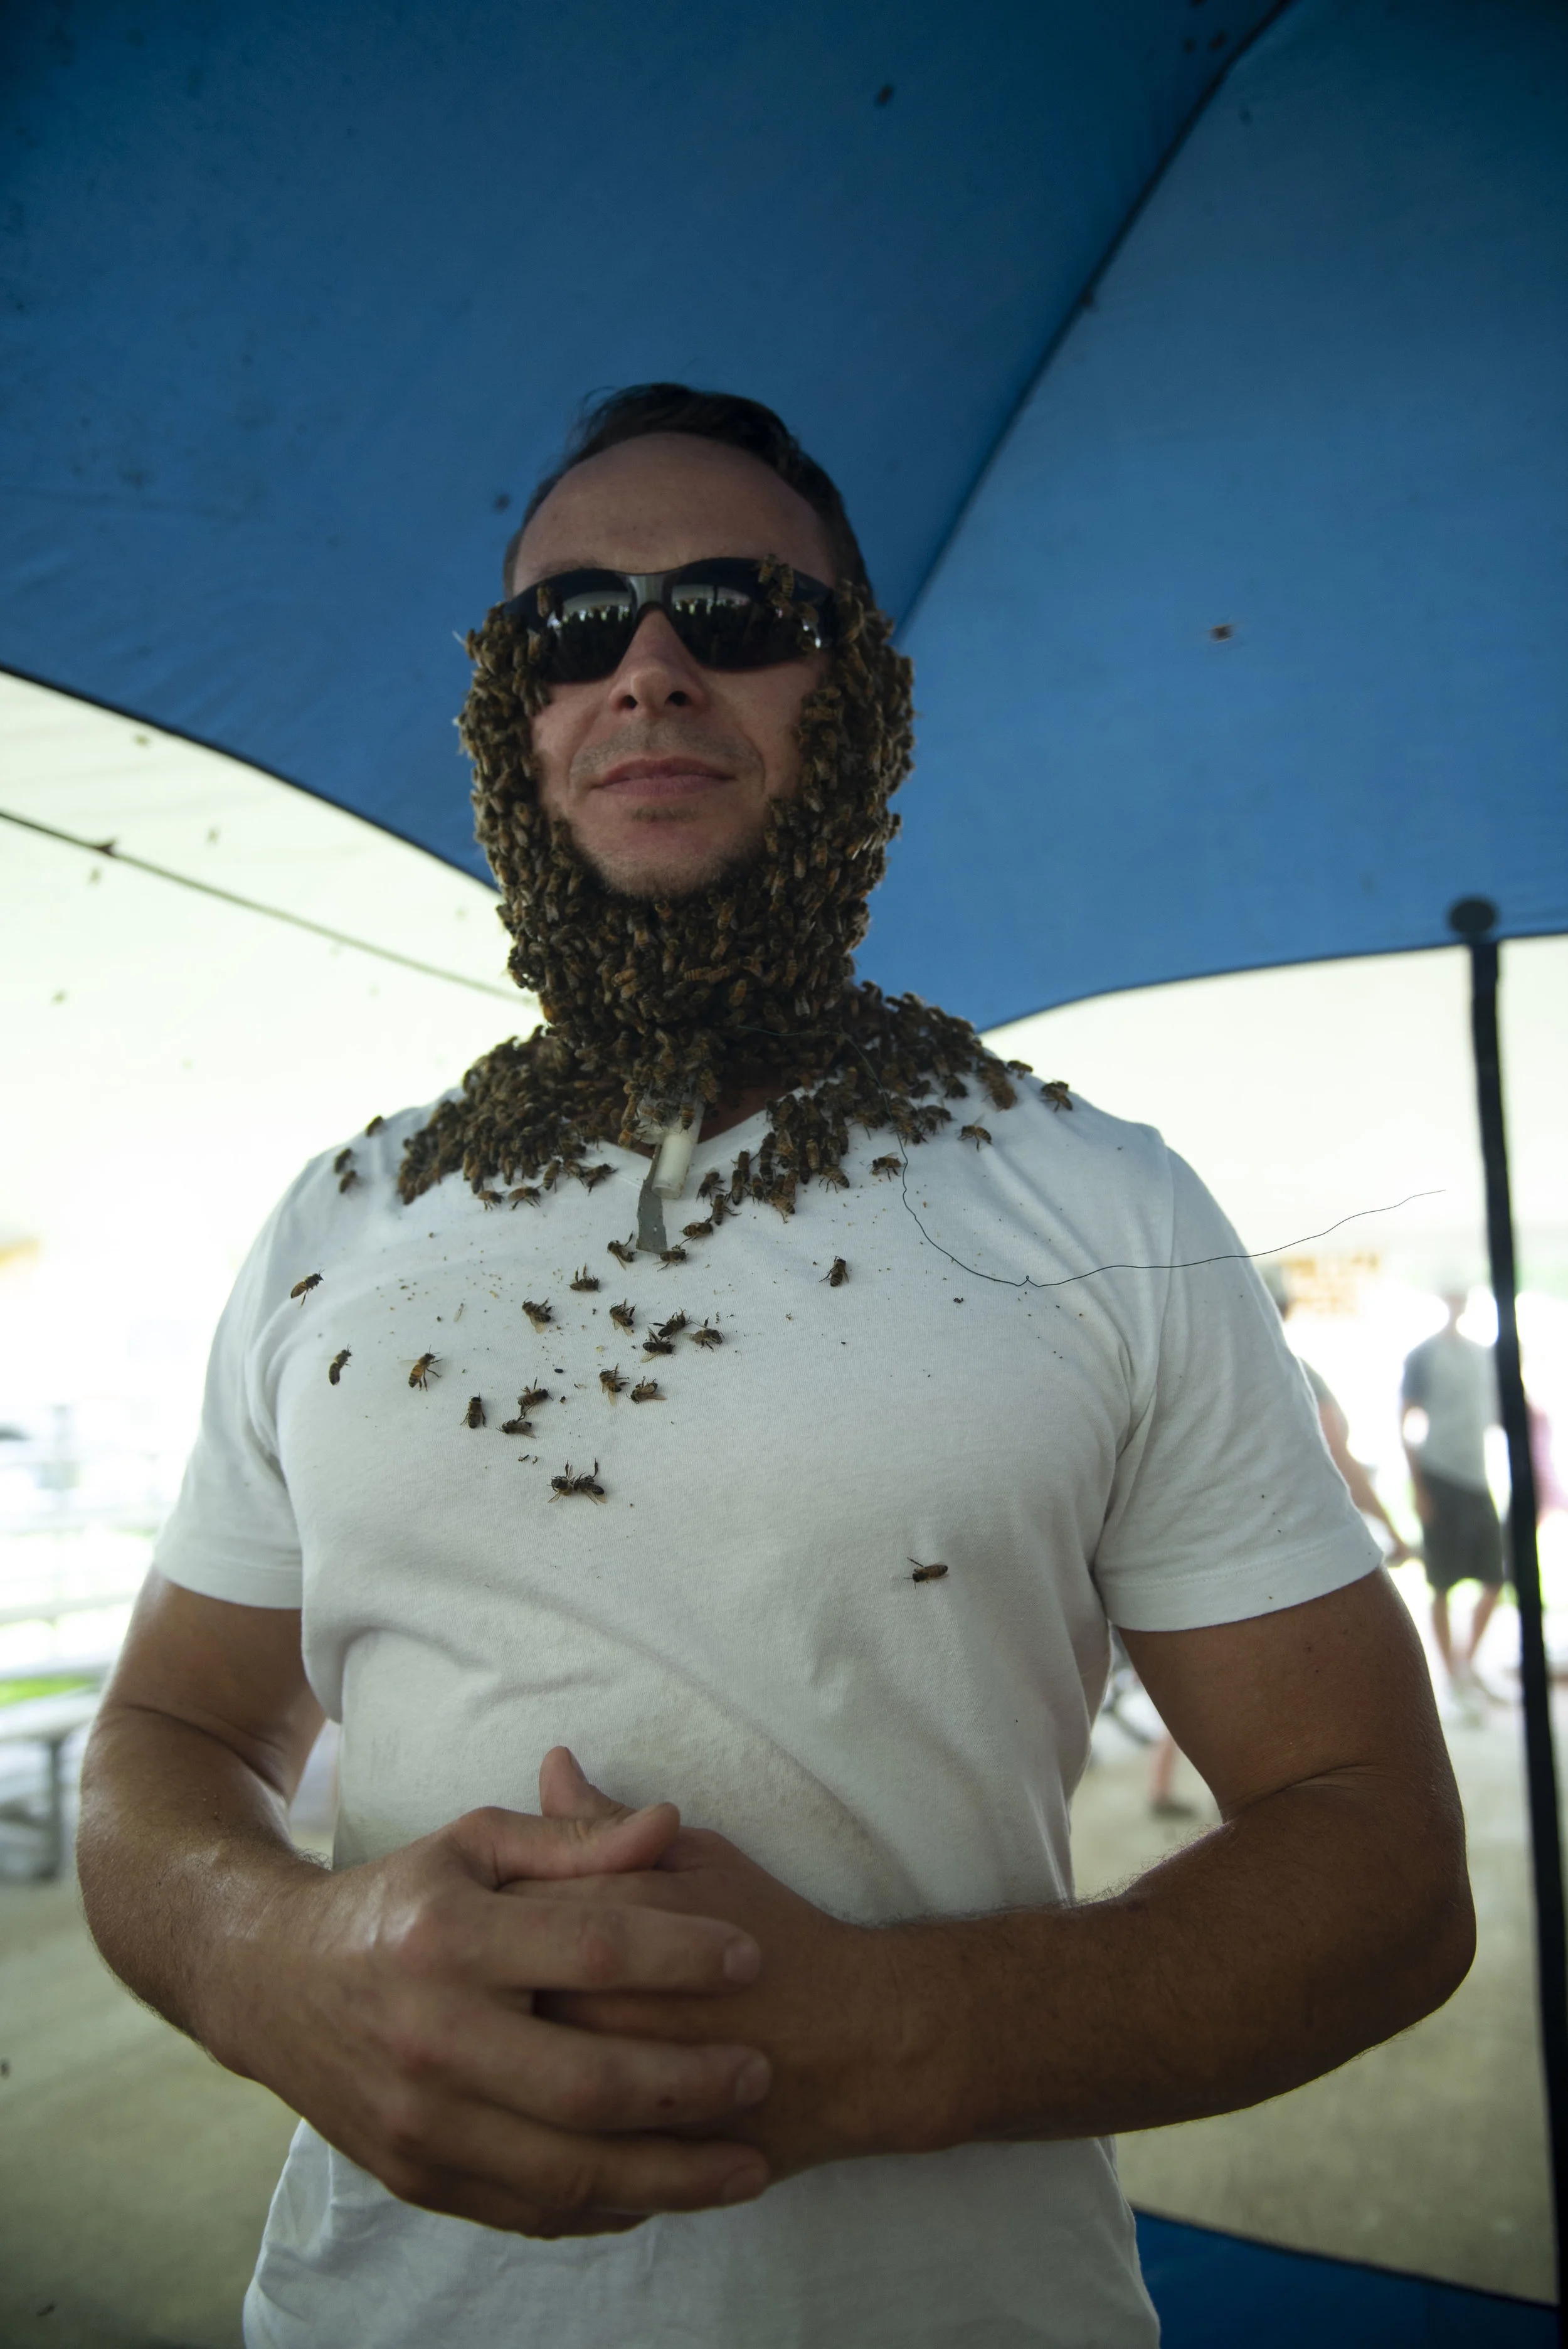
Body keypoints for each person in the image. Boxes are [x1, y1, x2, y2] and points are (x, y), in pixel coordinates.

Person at [77, 386, 1474, 2349]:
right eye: (572, 627)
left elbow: (1383, 1861)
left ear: (862, 709)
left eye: (735, 610)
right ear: (513, 721)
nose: (647, 666)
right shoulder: (339, 1216)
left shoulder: (1102, 1206)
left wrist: (889, 2040)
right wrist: (266, 1958)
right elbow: (169, 1745)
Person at [1145, 1269, 1413, 1819]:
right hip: (1269, 1555)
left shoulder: (1210, 1371)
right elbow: (1340, 1459)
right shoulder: (1294, 1373)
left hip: (1212, 1549)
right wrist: (1393, 1527)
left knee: (1203, 1684)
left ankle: (1169, 1787)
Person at [1402, 1288, 1505, 1706]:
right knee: (1442, 1582)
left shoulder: (1482, 1355)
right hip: (1440, 1475)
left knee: (1495, 1578)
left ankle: (1465, 1665)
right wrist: (1419, 1487)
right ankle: (1452, 1678)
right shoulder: (1423, 1354)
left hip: (1477, 1479)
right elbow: (1405, 1419)